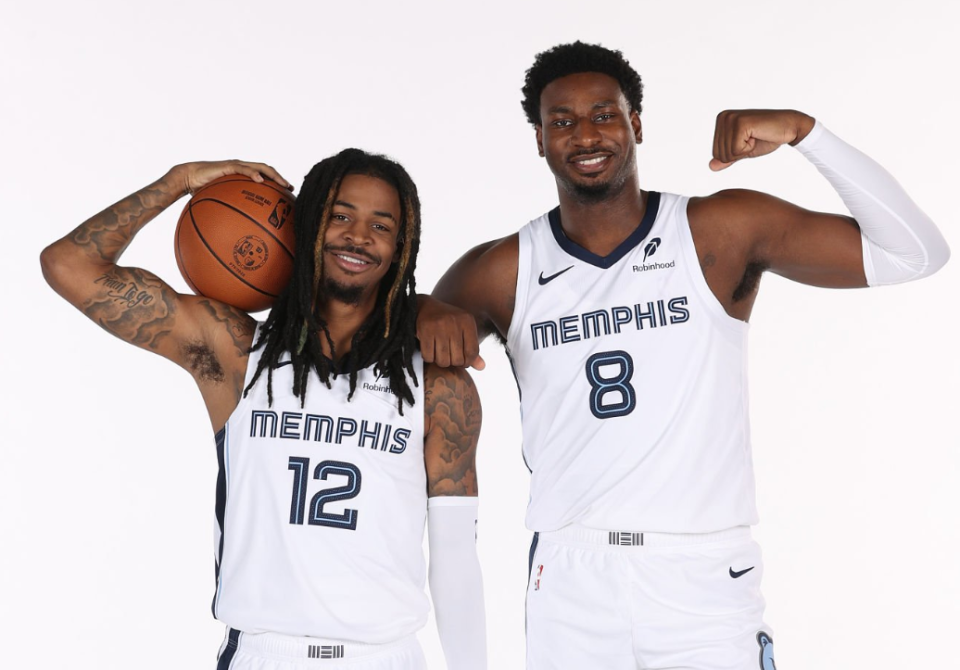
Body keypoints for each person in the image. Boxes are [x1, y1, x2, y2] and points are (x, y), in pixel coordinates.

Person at [417, 42, 949, 669]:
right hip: (569, 578)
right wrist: (419, 308)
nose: (585, 134)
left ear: (636, 124)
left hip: (702, 575)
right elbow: (382, 366)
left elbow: (915, 254)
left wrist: (806, 133)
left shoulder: (718, 231)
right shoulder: (501, 268)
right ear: (539, 139)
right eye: (562, 121)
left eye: (604, 114)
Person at [41, 152, 487, 670]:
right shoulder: (235, 354)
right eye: (340, 216)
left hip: (387, 656)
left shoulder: (437, 387)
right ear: (306, 224)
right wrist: (179, 181)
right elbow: (67, 265)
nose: (358, 237)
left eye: (381, 226)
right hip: (263, 653)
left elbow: (456, 559)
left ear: (401, 247)